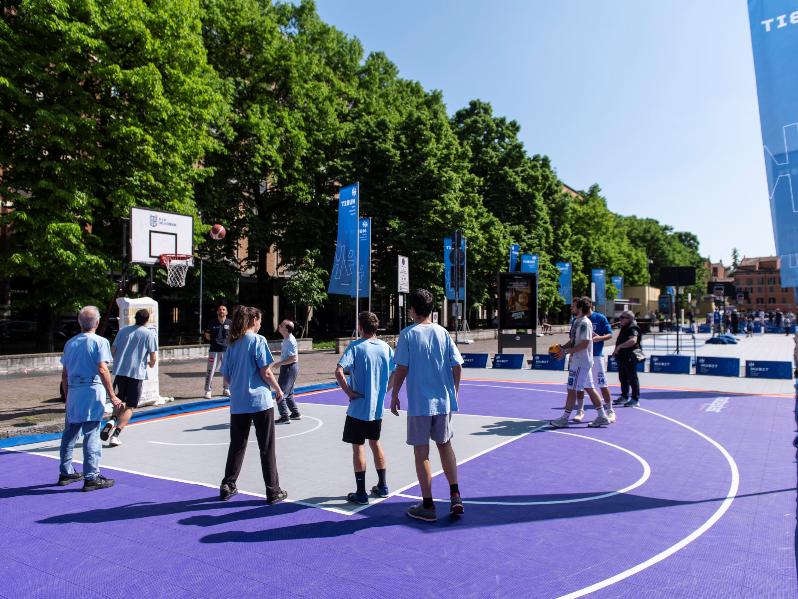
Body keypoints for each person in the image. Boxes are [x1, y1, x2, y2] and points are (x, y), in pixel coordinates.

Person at [390, 288, 464, 522]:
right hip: (442, 401)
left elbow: (401, 368)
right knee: (445, 445)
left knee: (421, 451)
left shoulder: (408, 335)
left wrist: (393, 396)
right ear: (432, 309)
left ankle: (428, 505)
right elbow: (457, 366)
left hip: (420, 403)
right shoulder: (443, 333)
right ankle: (455, 496)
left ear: (412, 310)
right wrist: (454, 392)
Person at [219, 306, 287, 504]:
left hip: (239, 402)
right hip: (259, 402)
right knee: (266, 447)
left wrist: (241, 385)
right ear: (253, 320)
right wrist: (277, 389)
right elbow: (266, 372)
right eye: (259, 321)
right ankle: (273, 490)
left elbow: (226, 378)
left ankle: (228, 484)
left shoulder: (232, 345)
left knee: (237, 445)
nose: (260, 324)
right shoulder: (258, 341)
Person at [58, 306, 123, 491]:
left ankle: (66, 471)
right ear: (97, 322)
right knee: (92, 432)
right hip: (91, 390)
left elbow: (64, 374)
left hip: (74, 389)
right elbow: (102, 369)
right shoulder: (100, 342)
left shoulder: (70, 343)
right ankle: (91, 475)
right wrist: (112, 395)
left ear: (79, 322)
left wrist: (67, 396)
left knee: (70, 432)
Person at [335, 311, 395, 505]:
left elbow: (338, 371)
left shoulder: (356, 347)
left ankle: (361, 492)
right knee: (375, 442)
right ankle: (383, 486)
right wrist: (385, 389)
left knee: (358, 446)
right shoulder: (385, 348)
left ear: (360, 327)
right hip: (376, 408)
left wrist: (349, 393)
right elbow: (397, 370)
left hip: (358, 407)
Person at [550, 297, 610, 429]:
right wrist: (561, 348)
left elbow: (584, 343)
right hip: (580, 361)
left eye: (573, 306)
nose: (571, 308)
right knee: (589, 388)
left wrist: (565, 352)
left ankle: (565, 418)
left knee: (571, 389)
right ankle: (602, 416)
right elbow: (573, 341)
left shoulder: (584, 323)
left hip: (580, 361)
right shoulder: (577, 321)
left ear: (580, 308)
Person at [101, 308, 158, 447]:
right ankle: (115, 435)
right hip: (136, 374)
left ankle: (113, 419)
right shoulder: (149, 334)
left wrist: (120, 360)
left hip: (120, 372)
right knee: (130, 406)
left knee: (119, 401)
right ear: (147, 320)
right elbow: (153, 357)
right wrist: (150, 364)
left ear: (135, 318)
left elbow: (112, 351)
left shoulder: (123, 331)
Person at [574, 298, 616, 424]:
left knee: (602, 384)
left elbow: (610, 334)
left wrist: (599, 338)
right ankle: (580, 410)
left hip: (597, 356)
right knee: (580, 385)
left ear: (589, 305)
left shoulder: (600, 318)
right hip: (582, 358)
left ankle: (610, 410)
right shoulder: (577, 320)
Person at [272, 319, 302, 424]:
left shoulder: (289, 340)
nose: (279, 326)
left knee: (280, 392)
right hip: (290, 367)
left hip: (289, 367)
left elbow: (293, 358)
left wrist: (279, 363)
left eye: (282, 325)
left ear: (286, 329)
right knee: (288, 393)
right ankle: (295, 413)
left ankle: (284, 416)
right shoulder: (286, 339)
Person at [612, 310, 642, 407]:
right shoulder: (625, 326)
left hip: (629, 357)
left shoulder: (632, 327)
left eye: (622, 317)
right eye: (620, 317)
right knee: (623, 378)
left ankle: (635, 399)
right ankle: (624, 396)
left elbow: (633, 340)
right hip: (622, 357)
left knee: (632, 378)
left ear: (629, 319)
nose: (620, 319)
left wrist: (620, 347)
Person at [203, 303, 231, 399]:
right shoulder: (212, 323)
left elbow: (233, 336)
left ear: (226, 312)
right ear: (217, 312)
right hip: (214, 350)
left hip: (226, 351)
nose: (221, 311)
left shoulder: (230, 323)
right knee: (210, 371)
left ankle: (226, 389)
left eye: (223, 309)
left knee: (227, 371)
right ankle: (208, 390)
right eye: (220, 309)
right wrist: (214, 342)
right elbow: (207, 335)